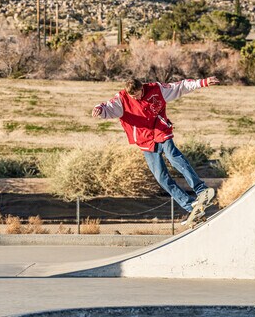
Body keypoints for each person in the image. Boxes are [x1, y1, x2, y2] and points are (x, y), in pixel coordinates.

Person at [92, 77, 220, 225]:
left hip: (160, 130)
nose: (137, 98)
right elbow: (107, 107)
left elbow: (179, 87)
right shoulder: (122, 99)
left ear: (142, 88)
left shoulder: (156, 89)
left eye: (139, 94)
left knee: (173, 157)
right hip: (145, 140)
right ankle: (190, 205)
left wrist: (202, 82)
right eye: (133, 96)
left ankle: (201, 189)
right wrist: (99, 110)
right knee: (161, 177)